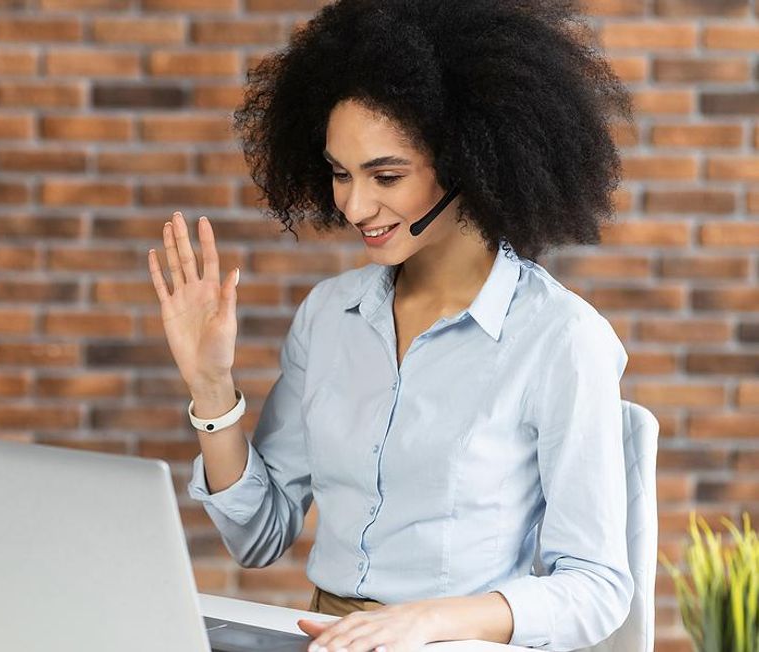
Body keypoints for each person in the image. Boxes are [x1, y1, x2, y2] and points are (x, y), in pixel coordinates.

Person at [146, 0, 636, 650]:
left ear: (470, 160)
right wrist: (212, 389)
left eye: (386, 175)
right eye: (340, 174)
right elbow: (258, 535)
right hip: (325, 638)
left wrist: (431, 620)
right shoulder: (328, 316)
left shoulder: (561, 340)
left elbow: (597, 587)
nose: (353, 204)